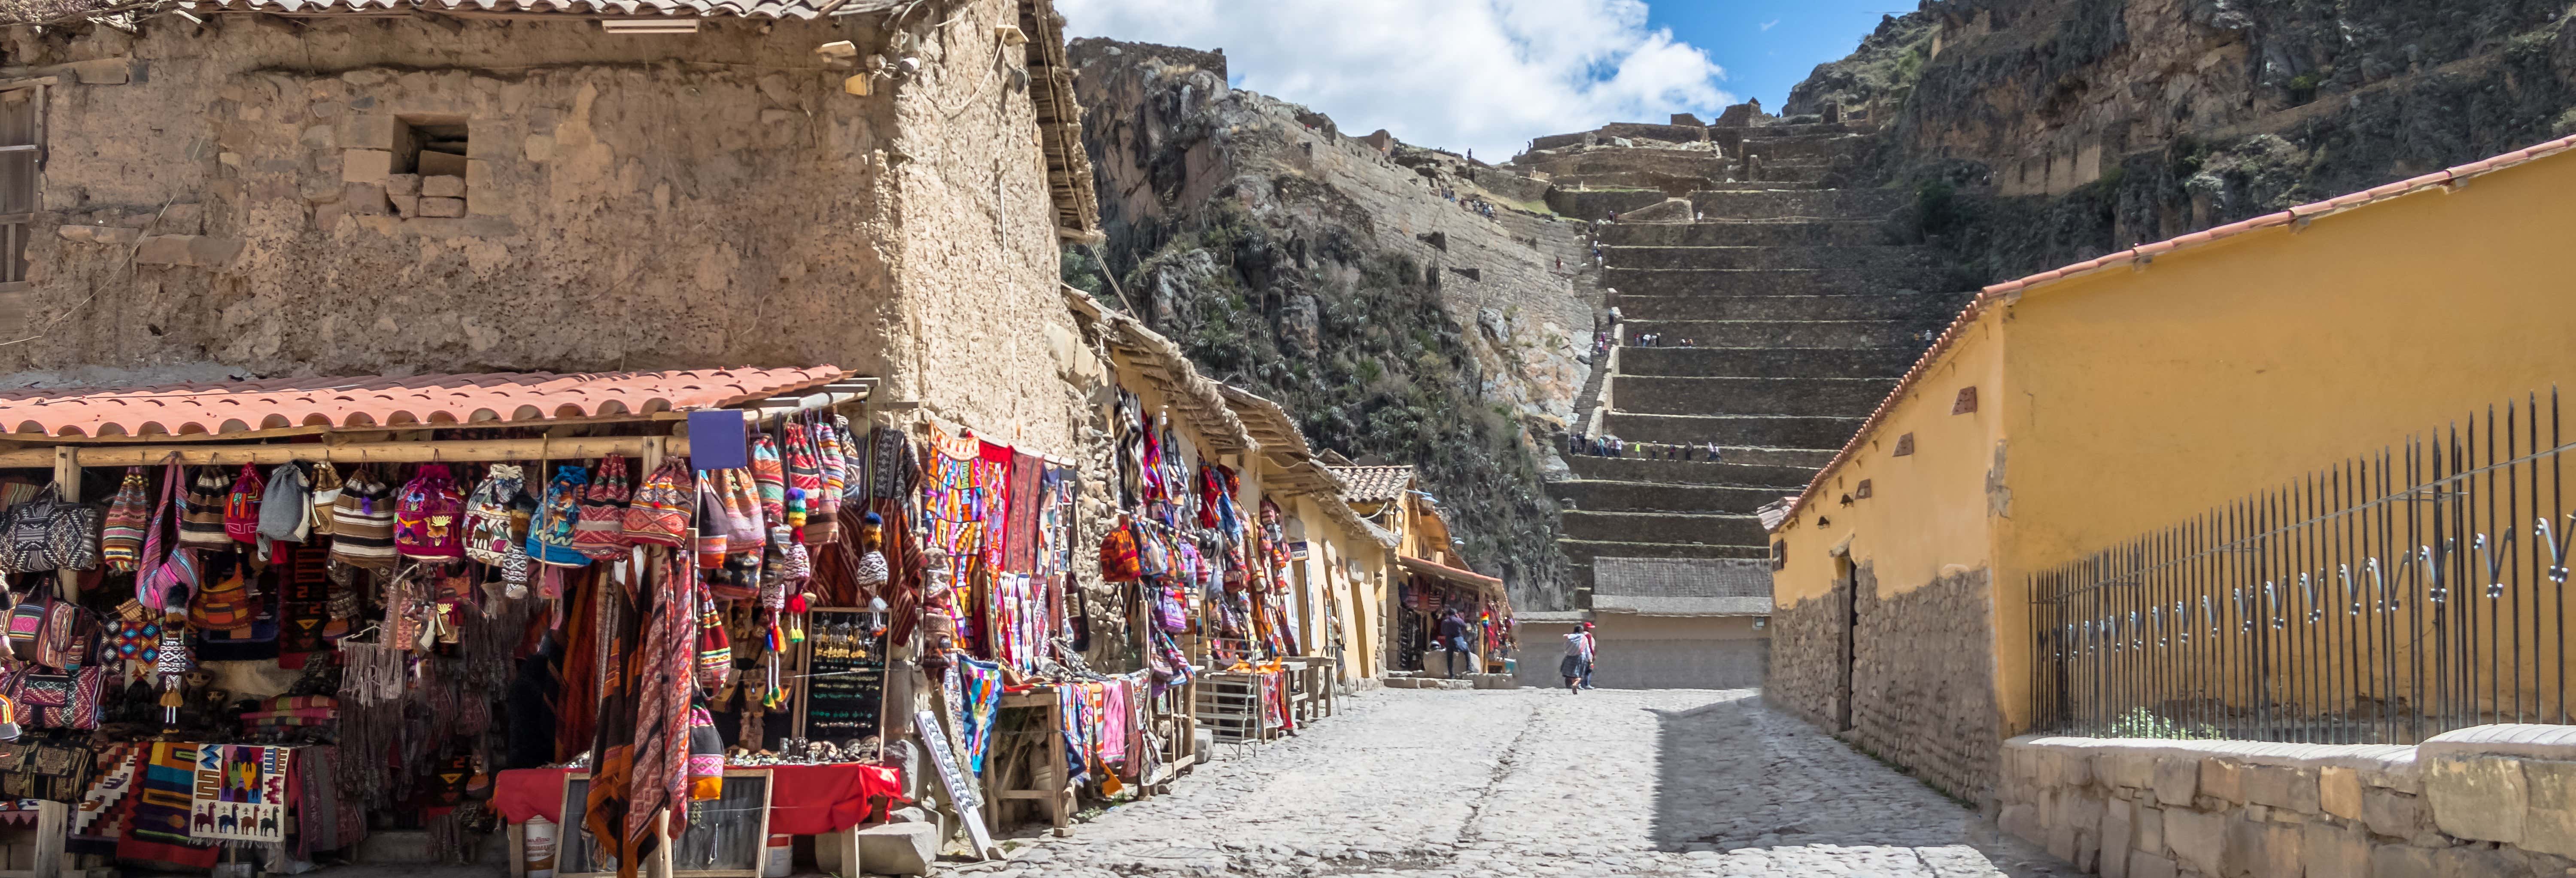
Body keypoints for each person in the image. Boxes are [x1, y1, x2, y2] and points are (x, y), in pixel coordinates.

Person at [1560, 622, 1597, 693]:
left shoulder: (1570, 636)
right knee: (1580, 674)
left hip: (1569, 657)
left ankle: (1574, 685)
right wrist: (1590, 659)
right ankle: (1576, 684)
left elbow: (1565, 636)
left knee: (1571, 674)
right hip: (1580, 657)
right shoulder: (1584, 637)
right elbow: (1587, 650)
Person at [1438, 609, 1474, 679]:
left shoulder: (1445, 622)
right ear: (1455, 614)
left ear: (1448, 615)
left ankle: (1452, 675)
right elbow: (1464, 626)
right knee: (1467, 651)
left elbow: (1443, 632)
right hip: (1458, 640)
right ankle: (1469, 668)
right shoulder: (1458, 620)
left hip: (1449, 640)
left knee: (1450, 658)